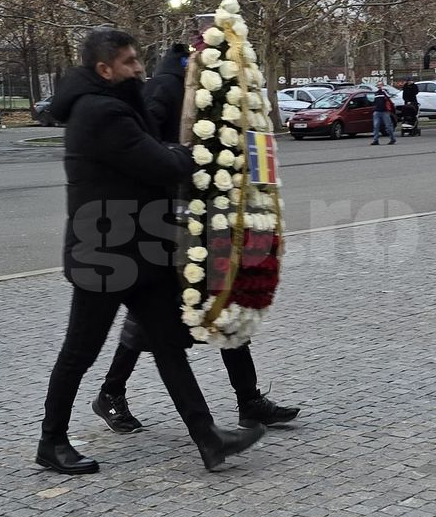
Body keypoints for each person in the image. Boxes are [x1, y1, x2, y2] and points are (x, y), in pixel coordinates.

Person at [36, 27, 264, 475]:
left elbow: (154, 154)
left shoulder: (115, 104)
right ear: (104, 69)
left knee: (167, 346)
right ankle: (51, 442)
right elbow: (161, 163)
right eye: (129, 62)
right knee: (79, 353)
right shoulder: (102, 113)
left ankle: (208, 438)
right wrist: (200, 151)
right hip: (106, 256)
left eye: (138, 59)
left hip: (135, 252)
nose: (140, 67)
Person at [92, 40, 300, 435]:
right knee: (152, 316)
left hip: (214, 215)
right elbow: (143, 148)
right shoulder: (167, 89)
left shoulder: (224, 91)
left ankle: (249, 400)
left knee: (227, 302)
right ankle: (111, 392)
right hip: (173, 222)